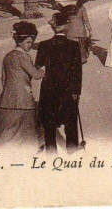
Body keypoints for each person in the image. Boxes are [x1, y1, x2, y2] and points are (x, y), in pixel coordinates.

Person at [35, 12, 83, 154]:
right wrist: (76, 91)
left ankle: (51, 150)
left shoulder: (44, 45)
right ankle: (72, 148)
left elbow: (38, 65)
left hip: (49, 87)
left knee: (49, 120)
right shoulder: (74, 45)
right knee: (70, 119)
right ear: (66, 26)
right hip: (68, 88)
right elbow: (77, 71)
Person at [0, 22, 44, 152]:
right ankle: (31, 151)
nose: (30, 45)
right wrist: (44, 69)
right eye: (28, 42)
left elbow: (3, 79)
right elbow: (36, 75)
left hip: (7, 99)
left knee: (7, 130)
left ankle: (2, 153)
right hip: (23, 98)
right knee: (27, 128)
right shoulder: (23, 56)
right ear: (21, 41)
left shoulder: (7, 56)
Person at [66, 0, 93, 64]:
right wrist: (90, 30)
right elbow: (86, 20)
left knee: (71, 46)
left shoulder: (67, 8)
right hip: (81, 31)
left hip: (70, 31)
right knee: (81, 46)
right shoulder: (82, 8)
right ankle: (82, 59)